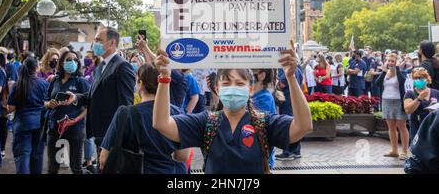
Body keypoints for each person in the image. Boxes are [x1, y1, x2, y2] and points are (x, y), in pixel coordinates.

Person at [152, 44, 312, 174]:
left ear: (250, 89)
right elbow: (162, 123)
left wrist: (291, 77)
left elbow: (303, 126)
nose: (233, 88)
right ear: (217, 88)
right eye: (226, 84)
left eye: (240, 84)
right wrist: (165, 79)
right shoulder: (205, 122)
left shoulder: (265, 122)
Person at [99, 63, 190, 174]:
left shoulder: (125, 113)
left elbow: (104, 158)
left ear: (140, 83)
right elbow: (182, 156)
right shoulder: (179, 113)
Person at [64, 27, 135, 165]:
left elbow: (126, 106)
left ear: (112, 43)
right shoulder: (101, 66)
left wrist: (117, 137)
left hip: (111, 134)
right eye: (95, 39)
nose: (94, 43)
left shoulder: (122, 66)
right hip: (99, 132)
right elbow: (95, 93)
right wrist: (76, 97)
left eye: (98, 40)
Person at [45, 50, 90, 174]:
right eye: (69, 60)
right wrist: (49, 104)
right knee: (52, 167)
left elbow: (89, 106)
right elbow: (45, 100)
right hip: (55, 127)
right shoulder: (55, 80)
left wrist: (75, 120)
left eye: (75, 60)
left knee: (76, 167)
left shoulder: (81, 82)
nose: (72, 62)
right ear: (62, 63)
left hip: (75, 129)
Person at [7, 57, 48, 174]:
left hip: (22, 124)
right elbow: (47, 103)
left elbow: (11, 108)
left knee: (22, 155)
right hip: (39, 124)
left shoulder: (18, 84)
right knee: (37, 155)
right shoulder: (43, 83)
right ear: (36, 68)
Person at [375, 53, 409, 160]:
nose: (390, 63)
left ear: (396, 62)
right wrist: (384, 71)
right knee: (391, 127)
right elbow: (377, 83)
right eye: (388, 60)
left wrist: (397, 68)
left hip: (399, 101)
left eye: (392, 61)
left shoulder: (401, 72)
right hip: (386, 101)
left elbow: (402, 81)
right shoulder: (385, 72)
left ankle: (404, 151)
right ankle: (394, 150)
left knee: (402, 126)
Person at [403, 67, 439, 143]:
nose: (418, 80)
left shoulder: (436, 93)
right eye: (415, 78)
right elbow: (408, 110)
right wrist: (419, 98)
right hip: (418, 127)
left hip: (434, 127)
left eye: (421, 78)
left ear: (427, 79)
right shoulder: (410, 94)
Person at [251, 69, 277, 168]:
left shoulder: (264, 98)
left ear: (261, 76)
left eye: (251, 72)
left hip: (260, 160)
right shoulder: (252, 96)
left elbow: (259, 129)